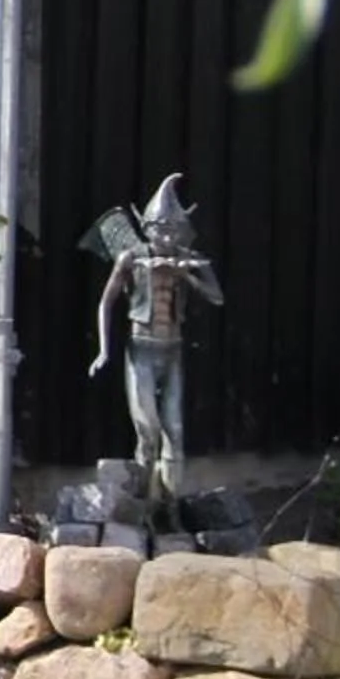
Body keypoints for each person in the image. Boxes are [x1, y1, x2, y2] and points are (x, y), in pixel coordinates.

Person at [88, 173, 226, 501]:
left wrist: (186, 276)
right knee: (148, 429)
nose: (165, 235)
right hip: (142, 349)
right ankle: (142, 500)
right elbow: (106, 302)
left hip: (172, 349)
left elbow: (217, 296)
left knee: (175, 432)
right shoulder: (131, 258)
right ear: (145, 227)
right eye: (159, 228)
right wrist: (104, 350)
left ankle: (170, 505)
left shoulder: (189, 259)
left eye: (172, 229)